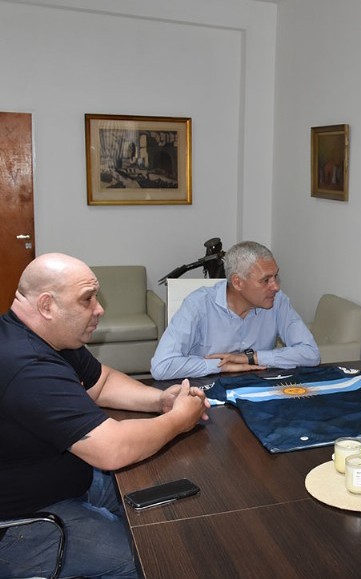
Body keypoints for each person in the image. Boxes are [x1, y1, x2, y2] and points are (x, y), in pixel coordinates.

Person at [0, 253, 210, 578]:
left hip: (67, 482)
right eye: (87, 300)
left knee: (172, 505)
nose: (99, 309)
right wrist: (179, 420)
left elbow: (102, 382)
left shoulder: (52, 337)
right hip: (23, 522)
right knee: (148, 558)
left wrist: (161, 400)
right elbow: (109, 449)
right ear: (46, 306)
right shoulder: (26, 365)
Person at [151, 241, 320, 380]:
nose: (275, 286)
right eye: (266, 280)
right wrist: (220, 366)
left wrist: (252, 357)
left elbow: (311, 354)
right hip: (208, 395)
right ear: (238, 282)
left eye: (276, 276)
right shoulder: (198, 305)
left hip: (258, 390)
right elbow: (162, 366)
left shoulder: (278, 301)